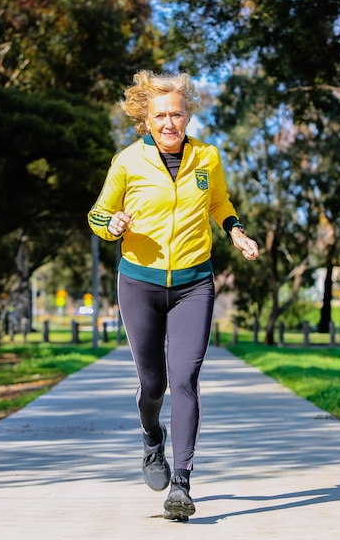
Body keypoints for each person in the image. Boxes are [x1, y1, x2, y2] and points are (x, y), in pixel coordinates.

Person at [87, 70, 259, 522]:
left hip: (193, 283)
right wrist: (113, 226)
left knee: (184, 380)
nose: (169, 123)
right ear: (146, 118)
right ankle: (150, 440)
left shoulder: (207, 157)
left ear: (188, 115)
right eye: (160, 115)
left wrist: (235, 232)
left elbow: (219, 203)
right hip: (139, 283)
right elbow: (98, 214)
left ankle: (181, 483)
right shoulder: (126, 161)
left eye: (177, 114)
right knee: (153, 384)